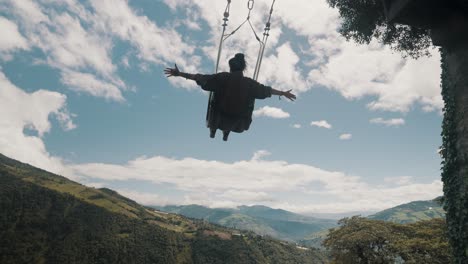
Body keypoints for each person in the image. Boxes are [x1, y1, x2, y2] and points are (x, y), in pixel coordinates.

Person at [164, 53, 296, 141]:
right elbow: (267, 90)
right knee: (239, 107)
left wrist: (180, 74)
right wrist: (283, 93)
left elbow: (199, 77)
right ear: (243, 68)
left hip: (218, 117)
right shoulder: (249, 83)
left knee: (215, 99)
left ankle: (213, 129)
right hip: (238, 120)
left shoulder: (222, 77)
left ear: (230, 67)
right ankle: (226, 132)